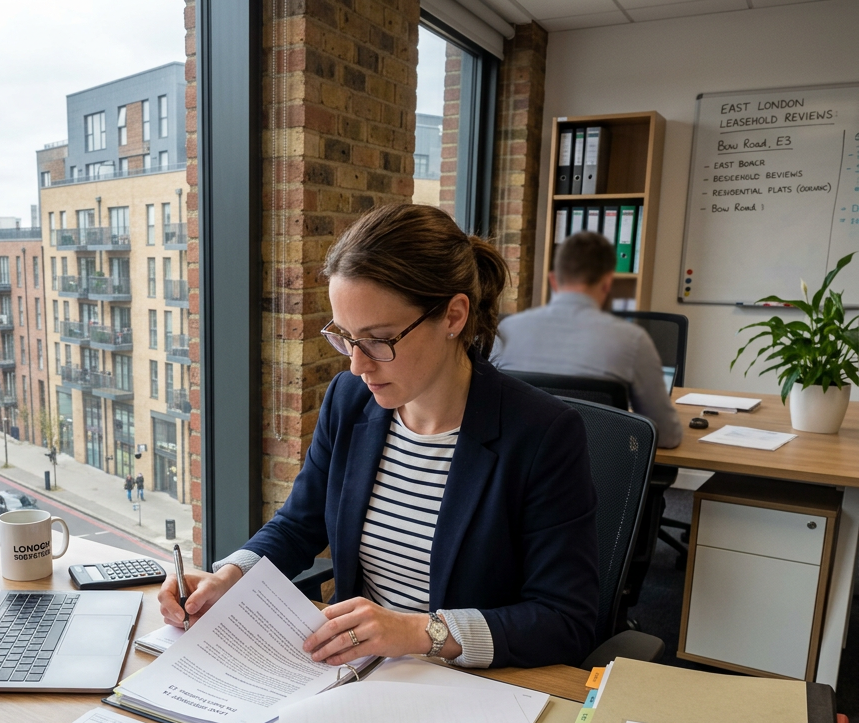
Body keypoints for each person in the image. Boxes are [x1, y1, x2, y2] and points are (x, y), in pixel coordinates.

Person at [158, 203, 599, 669]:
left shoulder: (543, 434)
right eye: (345, 337)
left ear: (453, 316)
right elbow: (299, 523)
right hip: (357, 672)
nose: (357, 364)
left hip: (472, 686)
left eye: (379, 340)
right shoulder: (351, 399)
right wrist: (230, 576)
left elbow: (564, 619)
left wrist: (417, 632)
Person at [491, 230, 682, 448]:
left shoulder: (506, 331)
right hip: (599, 478)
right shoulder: (632, 340)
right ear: (607, 283)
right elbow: (666, 436)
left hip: (520, 475)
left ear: (553, 280)